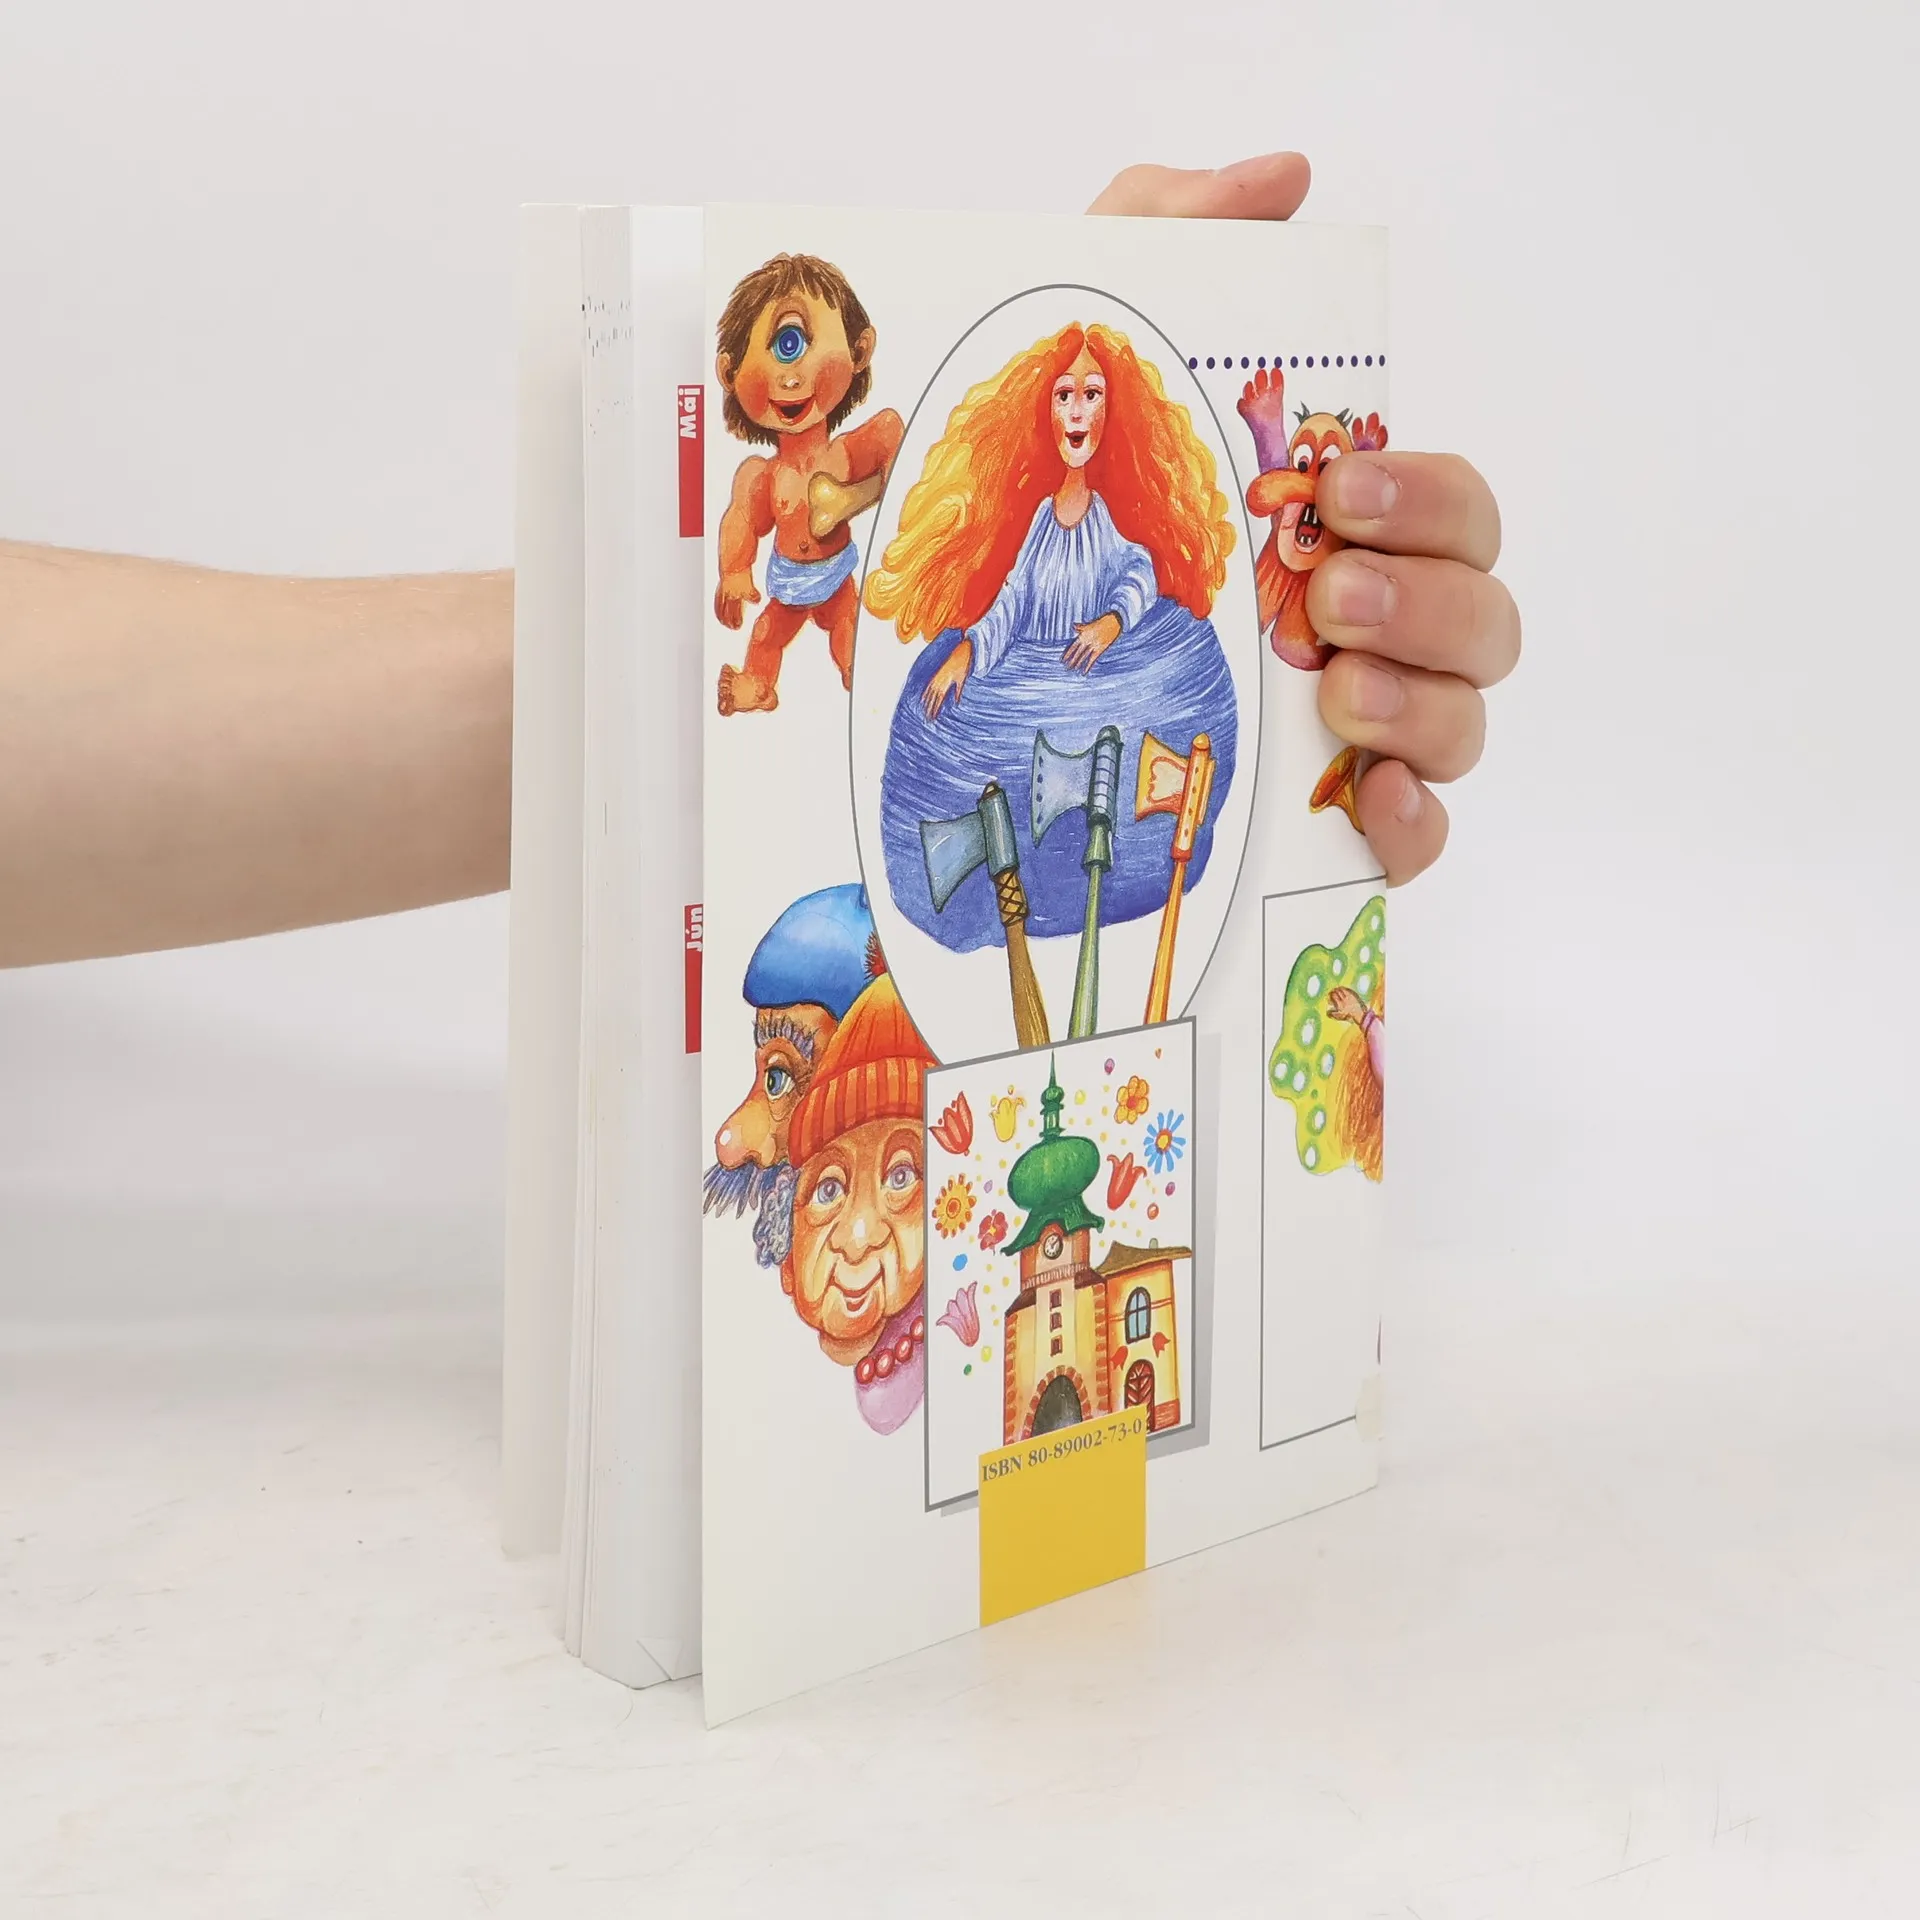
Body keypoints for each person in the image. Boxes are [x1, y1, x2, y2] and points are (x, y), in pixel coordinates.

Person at [0, 153, 1519, 971]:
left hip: (1056, 699)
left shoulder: (1087, 522)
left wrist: (1113, 598)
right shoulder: (810, 484)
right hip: (896, 674)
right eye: (1056, 398)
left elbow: (1115, 580)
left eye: (1083, 400)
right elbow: (960, 593)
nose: (1071, 417)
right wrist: (919, 642)